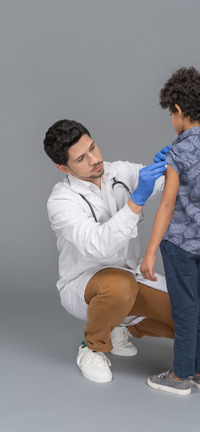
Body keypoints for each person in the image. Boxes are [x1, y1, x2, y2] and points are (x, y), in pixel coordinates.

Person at [44, 119, 175, 384]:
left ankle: (119, 323)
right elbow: (98, 246)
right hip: (84, 284)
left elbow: (160, 182)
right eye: (81, 158)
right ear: (62, 167)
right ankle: (92, 346)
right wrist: (136, 201)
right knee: (118, 285)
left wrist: (171, 165)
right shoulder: (61, 201)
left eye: (93, 147)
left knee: (192, 317)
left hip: (131, 277)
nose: (94, 159)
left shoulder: (119, 172)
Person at [141, 67, 200, 395]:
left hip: (178, 244)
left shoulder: (179, 151)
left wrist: (150, 251)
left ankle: (179, 377)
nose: (172, 120)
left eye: (171, 114)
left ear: (178, 110)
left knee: (184, 307)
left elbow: (167, 205)